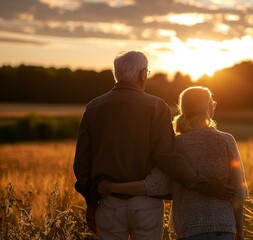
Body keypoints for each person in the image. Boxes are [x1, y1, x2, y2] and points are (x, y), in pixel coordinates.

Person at [73, 51, 234, 239]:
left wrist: (92, 203)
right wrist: (203, 184)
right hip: (147, 206)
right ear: (142, 74)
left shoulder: (93, 107)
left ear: (116, 74)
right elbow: (168, 157)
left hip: (109, 203)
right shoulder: (156, 106)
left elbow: (82, 162)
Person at [99, 86, 249, 240]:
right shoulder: (226, 140)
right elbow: (238, 190)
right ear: (208, 107)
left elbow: (155, 185)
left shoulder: (174, 145)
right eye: (213, 104)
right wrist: (240, 230)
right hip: (223, 227)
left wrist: (112, 187)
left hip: (190, 229)